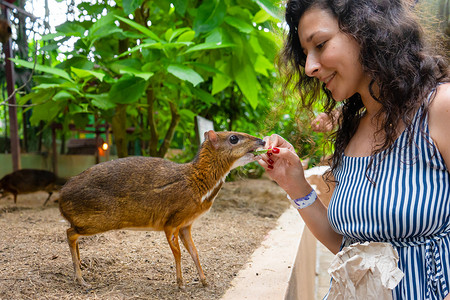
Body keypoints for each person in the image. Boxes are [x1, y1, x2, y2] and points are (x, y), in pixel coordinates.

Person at [258, 0, 450, 299]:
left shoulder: (439, 108)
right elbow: (349, 246)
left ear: (369, 31)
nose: (310, 67)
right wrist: (294, 183)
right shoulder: (352, 131)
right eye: (306, 54)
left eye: (320, 44)